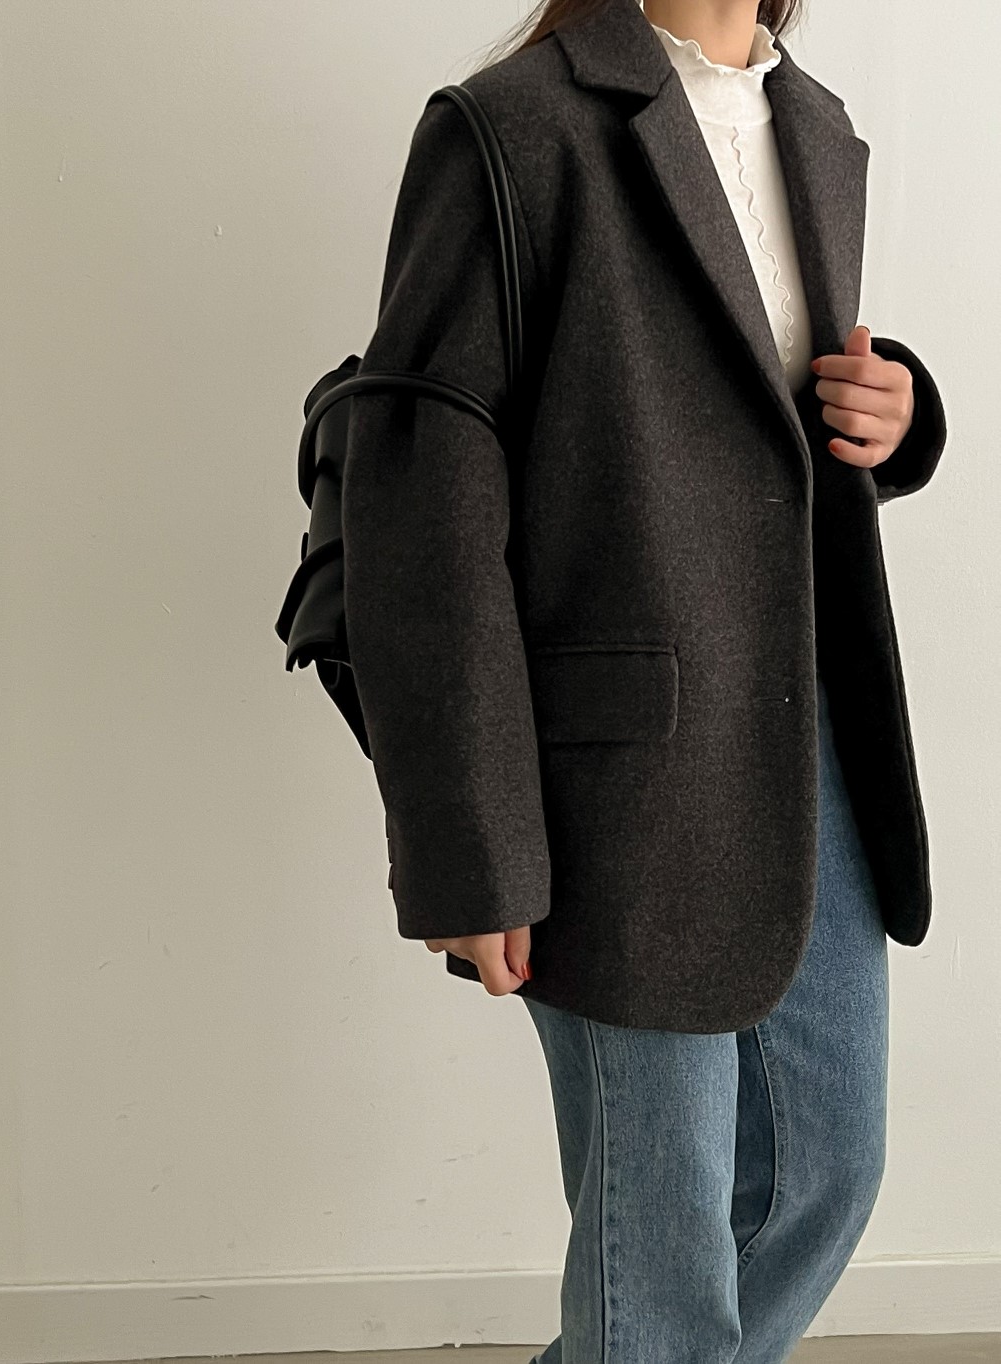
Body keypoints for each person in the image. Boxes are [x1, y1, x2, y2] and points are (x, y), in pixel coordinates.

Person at [340, 0, 948, 1358]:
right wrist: (471, 841)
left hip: (813, 736)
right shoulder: (512, 128)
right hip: (618, 775)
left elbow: (746, 413)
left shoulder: (816, 126)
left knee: (820, 1182)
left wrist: (895, 416)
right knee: (664, 1244)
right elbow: (421, 508)